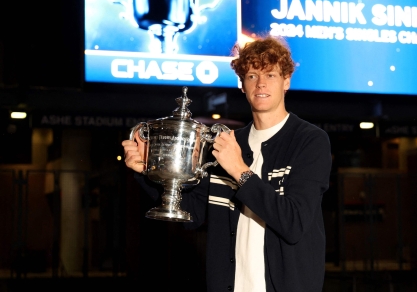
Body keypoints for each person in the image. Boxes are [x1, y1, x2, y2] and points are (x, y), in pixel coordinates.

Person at [122, 36, 332, 292]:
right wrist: (148, 170)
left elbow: (293, 223)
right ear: (242, 84)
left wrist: (239, 170)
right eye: (252, 75)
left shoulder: (309, 141)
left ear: (286, 81)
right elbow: (193, 215)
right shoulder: (227, 144)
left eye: (271, 75)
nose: (261, 83)